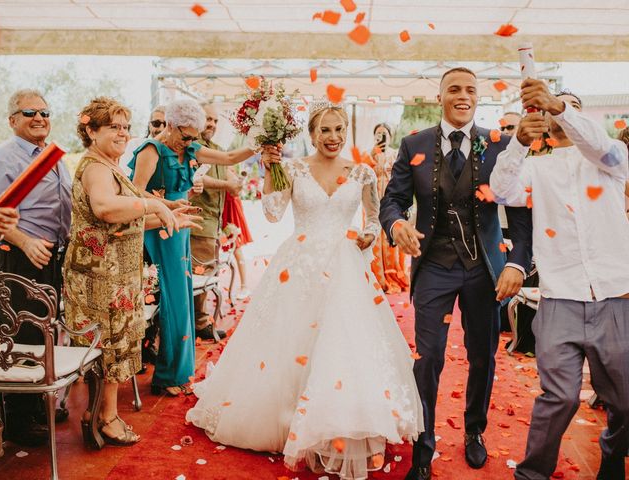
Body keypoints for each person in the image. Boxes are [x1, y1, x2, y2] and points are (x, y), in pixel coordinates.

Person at [186, 102, 424, 480]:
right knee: (290, 342)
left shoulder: (361, 171)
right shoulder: (293, 168)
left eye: (339, 129)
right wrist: (269, 171)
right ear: (311, 134)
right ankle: (286, 418)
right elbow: (272, 213)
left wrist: (368, 235)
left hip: (345, 267)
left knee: (342, 344)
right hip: (298, 267)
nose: (333, 137)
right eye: (325, 130)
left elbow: (376, 216)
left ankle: (337, 417)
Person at [379, 67, 533, 480]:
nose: (463, 96)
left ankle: (475, 432)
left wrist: (517, 262)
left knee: (483, 355)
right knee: (427, 358)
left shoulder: (500, 144)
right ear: (440, 96)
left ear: (478, 96)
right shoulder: (414, 143)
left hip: (485, 270)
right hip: (434, 266)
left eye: (470, 90)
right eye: (454, 89)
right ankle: (423, 445)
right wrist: (397, 226)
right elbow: (391, 202)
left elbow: (520, 214)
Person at [490, 81, 629, 480]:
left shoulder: (613, 159)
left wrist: (559, 105)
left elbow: (600, 146)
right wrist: (517, 142)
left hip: (616, 295)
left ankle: (613, 451)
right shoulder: (536, 167)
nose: (559, 112)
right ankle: (532, 474)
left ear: (581, 117)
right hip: (560, 299)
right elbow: (501, 191)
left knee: (626, 400)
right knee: (559, 397)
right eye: (553, 108)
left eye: (570, 108)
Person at [64, 97, 200, 446]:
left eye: (126, 127)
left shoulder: (109, 166)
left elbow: (123, 222)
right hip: (99, 278)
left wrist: (168, 217)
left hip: (114, 275)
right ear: (91, 131)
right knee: (110, 348)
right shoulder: (95, 167)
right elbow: (106, 209)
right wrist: (153, 203)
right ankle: (105, 418)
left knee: (116, 346)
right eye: (114, 127)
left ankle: (102, 414)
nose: (123, 133)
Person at [129, 99, 254, 397]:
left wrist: (262, 140)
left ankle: (178, 371)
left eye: (193, 137)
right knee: (173, 298)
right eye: (184, 135)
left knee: (182, 295)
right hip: (160, 225)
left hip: (180, 224)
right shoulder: (151, 150)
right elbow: (135, 191)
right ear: (170, 125)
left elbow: (232, 156)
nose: (189, 142)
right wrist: (166, 204)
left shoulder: (192, 147)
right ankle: (166, 375)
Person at [0, 89, 73, 447]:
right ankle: (20, 422)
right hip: (19, 257)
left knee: (44, 334)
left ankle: (38, 406)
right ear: (12, 121)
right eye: (29, 113)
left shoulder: (51, 155)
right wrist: (24, 242)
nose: (39, 118)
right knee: (19, 336)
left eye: (44, 112)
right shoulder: (4, 158)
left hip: (50, 258)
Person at [190, 104, 241, 340]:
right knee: (198, 276)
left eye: (214, 121)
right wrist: (227, 185)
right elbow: (198, 178)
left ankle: (201, 321)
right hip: (197, 221)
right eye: (207, 119)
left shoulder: (218, 149)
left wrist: (236, 182)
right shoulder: (192, 147)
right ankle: (198, 324)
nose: (211, 124)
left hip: (214, 222)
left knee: (207, 274)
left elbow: (230, 175)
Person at [370, 123, 409, 294]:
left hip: (391, 199)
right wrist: (372, 156)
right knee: (376, 238)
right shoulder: (370, 154)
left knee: (390, 237)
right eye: (378, 134)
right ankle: (378, 277)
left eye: (384, 134)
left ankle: (393, 276)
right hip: (373, 199)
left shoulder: (396, 153)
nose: (381, 137)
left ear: (390, 136)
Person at [221, 169, 254, 300]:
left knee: (236, 246)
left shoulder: (227, 170)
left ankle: (244, 285)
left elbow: (236, 190)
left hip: (230, 208)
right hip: (221, 207)